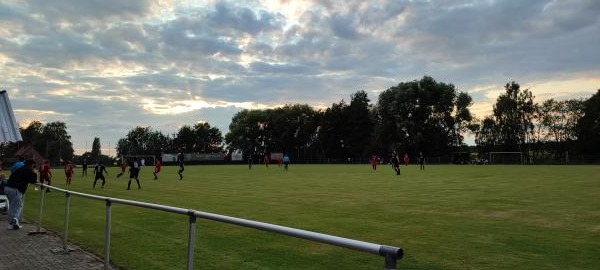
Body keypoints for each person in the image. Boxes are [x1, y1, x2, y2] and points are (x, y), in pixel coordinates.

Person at [4, 159, 38, 230]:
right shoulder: (28, 170)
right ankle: (13, 222)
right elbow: (33, 181)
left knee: (13, 206)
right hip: (15, 189)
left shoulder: (20, 169)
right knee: (17, 206)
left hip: (8, 188)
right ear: (32, 165)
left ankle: (13, 223)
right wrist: (34, 173)